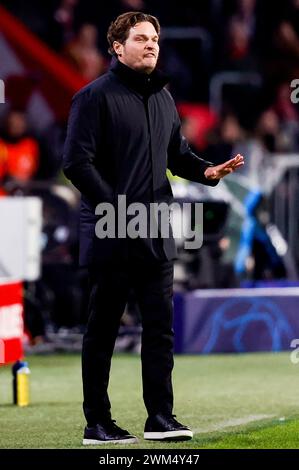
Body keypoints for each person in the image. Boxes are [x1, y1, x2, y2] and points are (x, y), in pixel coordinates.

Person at [63, 11, 244, 445]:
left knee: (160, 327)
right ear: (117, 47)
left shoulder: (164, 96)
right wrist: (117, 207)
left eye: (156, 39)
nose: (151, 45)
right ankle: (97, 422)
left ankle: (160, 418)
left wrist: (207, 171)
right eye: (141, 38)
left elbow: (177, 155)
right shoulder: (93, 97)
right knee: (103, 327)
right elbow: (76, 163)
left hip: (156, 227)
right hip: (112, 227)